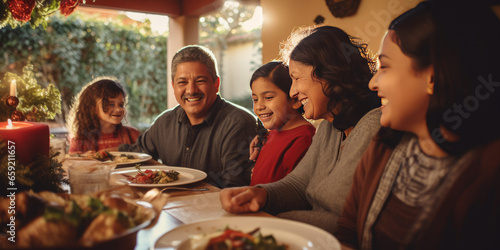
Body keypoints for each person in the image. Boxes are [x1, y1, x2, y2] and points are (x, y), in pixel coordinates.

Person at [336, 2, 500, 249]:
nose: (373, 83)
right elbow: (348, 231)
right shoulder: (385, 142)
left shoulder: (489, 173)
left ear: (432, 77)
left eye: (385, 67)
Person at [220, 25, 381, 234]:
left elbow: (350, 222)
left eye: (296, 78)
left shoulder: (373, 127)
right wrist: (259, 195)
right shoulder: (329, 127)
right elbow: (298, 185)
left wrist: (272, 221)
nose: (293, 91)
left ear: (329, 74)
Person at [119, 45, 258, 188]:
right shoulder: (164, 123)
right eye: (182, 82)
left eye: (200, 81)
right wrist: (98, 157)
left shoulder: (238, 124)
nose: (191, 90)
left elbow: (235, 191)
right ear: (173, 86)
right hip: (170, 207)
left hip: (212, 208)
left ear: (216, 84)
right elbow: (134, 156)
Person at [249, 61, 316, 186]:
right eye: (255, 99)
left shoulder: (303, 138)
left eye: (268, 97)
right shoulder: (272, 133)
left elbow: (295, 191)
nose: (259, 106)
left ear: (294, 99)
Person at [67, 77, 140, 154]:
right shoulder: (80, 142)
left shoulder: (133, 135)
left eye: (121, 105)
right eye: (111, 104)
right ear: (92, 107)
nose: (118, 109)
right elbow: (72, 163)